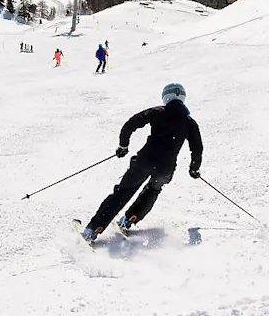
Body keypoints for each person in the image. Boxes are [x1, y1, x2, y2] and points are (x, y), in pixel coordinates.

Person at [82, 83, 203, 243]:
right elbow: (197, 148)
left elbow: (131, 124)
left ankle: (93, 229)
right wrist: (194, 168)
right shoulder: (189, 122)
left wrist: (123, 145)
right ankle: (128, 220)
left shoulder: (158, 112)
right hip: (165, 168)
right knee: (152, 190)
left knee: (122, 192)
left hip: (145, 160)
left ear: (165, 97)